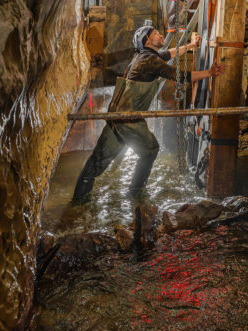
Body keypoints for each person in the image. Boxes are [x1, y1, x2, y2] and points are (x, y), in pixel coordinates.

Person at [71, 23, 223, 204]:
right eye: (156, 33)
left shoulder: (143, 57)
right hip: (129, 118)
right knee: (150, 150)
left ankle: (78, 202)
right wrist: (210, 73)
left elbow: (169, 54)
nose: (160, 35)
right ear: (147, 40)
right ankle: (136, 191)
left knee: (97, 161)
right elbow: (180, 76)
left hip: (116, 117)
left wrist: (190, 47)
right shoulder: (149, 61)